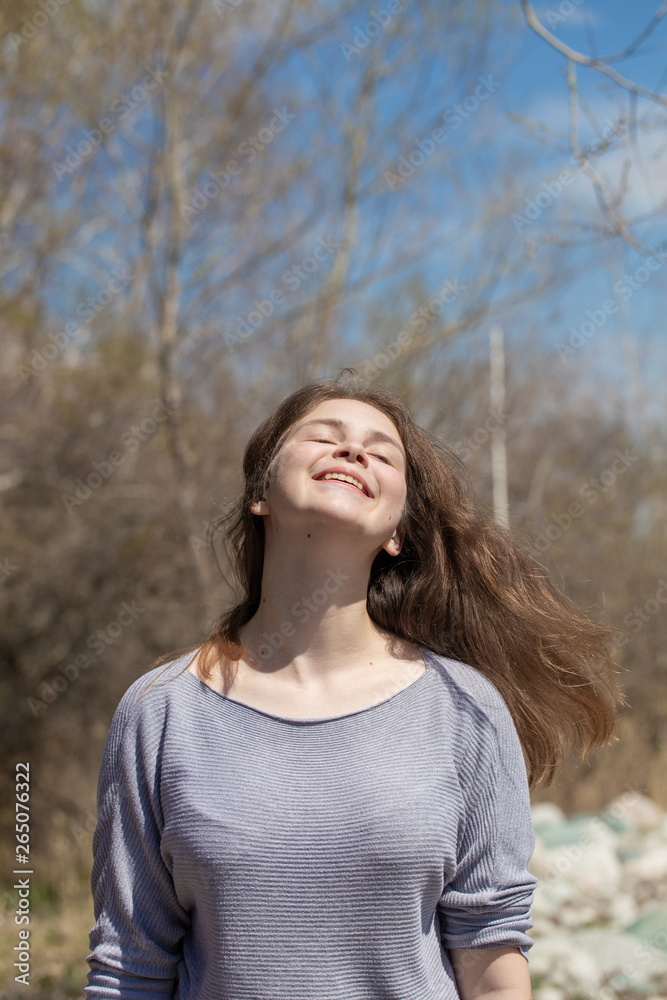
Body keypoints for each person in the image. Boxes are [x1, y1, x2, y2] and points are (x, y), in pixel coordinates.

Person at [84, 367, 621, 1000]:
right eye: (324, 435)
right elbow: (130, 967)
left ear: (396, 531)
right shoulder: (161, 711)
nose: (354, 450)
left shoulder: (466, 709)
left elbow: (493, 967)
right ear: (260, 494)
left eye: (381, 450)